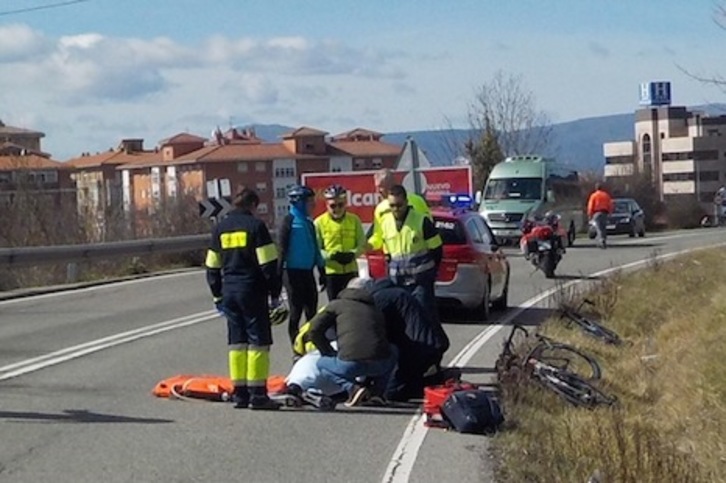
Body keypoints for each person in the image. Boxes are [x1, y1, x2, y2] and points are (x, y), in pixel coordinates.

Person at [204, 188, 283, 410]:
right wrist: (275, 293)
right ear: (253, 205)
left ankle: (240, 393)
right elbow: (268, 265)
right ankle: (258, 394)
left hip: (229, 291)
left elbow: (212, 266)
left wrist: (217, 294)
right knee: (258, 342)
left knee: (236, 343)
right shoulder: (256, 227)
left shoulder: (219, 228)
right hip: (252, 291)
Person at [310, 283, 397, 407]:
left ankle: (352, 388)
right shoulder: (375, 308)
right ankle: (377, 393)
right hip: (379, 364)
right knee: (393, 350)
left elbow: (313, 330)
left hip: (350, 364)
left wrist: (327, 351)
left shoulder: (336, 305)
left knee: (321, 364)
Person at [364, 277, 450, 401]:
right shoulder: (397, 294)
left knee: (391, 393)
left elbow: (376, 331)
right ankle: (435, 380)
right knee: (406, 379)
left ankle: (437, 381)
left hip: (418, 349)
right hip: (426, 345)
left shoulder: (380, 299)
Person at [368, 184, 443, 319]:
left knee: (425, 316)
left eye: (399, 205)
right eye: (392, 206)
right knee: (402, 319)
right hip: (397, 281)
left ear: (406, 202)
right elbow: (387, 251)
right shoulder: (385, 223)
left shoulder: (421, 221)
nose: (395, 209)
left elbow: (437, 250)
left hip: (420, 281)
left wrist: (430, 274)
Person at [278, 185, 326, 346]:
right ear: (299, 203)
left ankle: (310, 343)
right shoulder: (288, 221)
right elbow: (282, 250)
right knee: (295, 312)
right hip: (292, 273)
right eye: (309, 201)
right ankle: (295, 347)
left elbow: (315, 249)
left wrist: (321, 270)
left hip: (307, 272)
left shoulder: (309, 223)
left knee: (312, 311)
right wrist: (277, 277)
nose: (313, 205)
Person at [314, 184, 366, 300]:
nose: (337, 209)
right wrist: (331, 255)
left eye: (340, 205)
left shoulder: (354, 220)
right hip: (332, 273)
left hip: (351, 270)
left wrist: (353, 254)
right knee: (335, 306)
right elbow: (317, 248)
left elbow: (362, 244)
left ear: (346, 203)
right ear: (327, 205)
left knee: (353, 304)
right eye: (333, 206)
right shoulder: (319, 223)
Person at [586, 182, 614, 249]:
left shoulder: (594, 196)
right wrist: (610, 212)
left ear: (596, 188)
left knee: (599, 228)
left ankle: (601, 241)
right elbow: (610, 204)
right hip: (604, 213)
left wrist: (590, 214)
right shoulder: (606, 195)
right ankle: (603, 240)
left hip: (597, 213)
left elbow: (590, 205)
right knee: (603, 228)